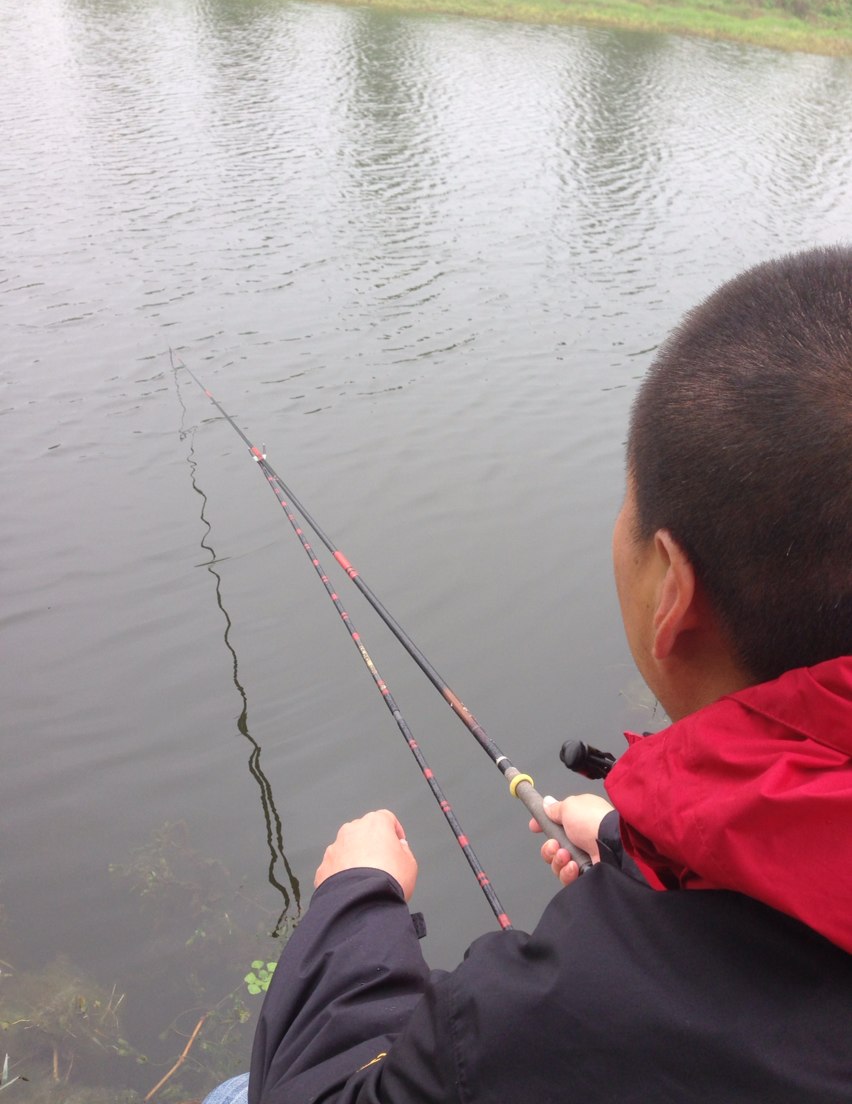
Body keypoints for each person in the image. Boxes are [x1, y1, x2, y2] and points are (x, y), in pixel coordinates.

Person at [234, 246, 852, 1104]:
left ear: (672, 592)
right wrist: (645, 854)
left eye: (628, 503)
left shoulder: (544, 1022)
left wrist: (354, 904)